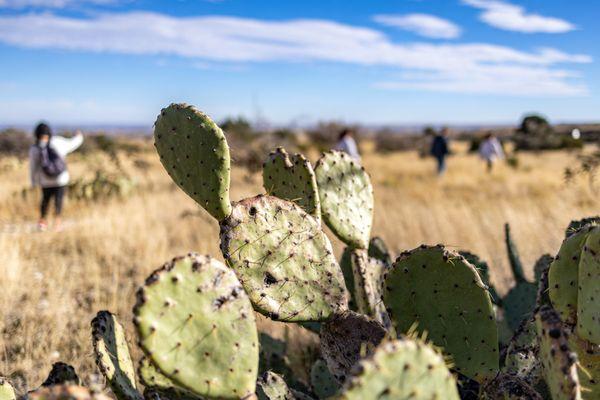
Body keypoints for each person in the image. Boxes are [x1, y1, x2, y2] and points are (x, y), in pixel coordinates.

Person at [29, 123, 83, 231]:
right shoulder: (58, 142)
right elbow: (73, 143)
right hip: (61, 179)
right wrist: (79, 136)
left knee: (45, 200)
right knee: (58, 201)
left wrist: (34, 182)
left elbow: (33, 167)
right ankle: (57, 224)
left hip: (45, 180)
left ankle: (42, 222)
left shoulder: (35, 148)